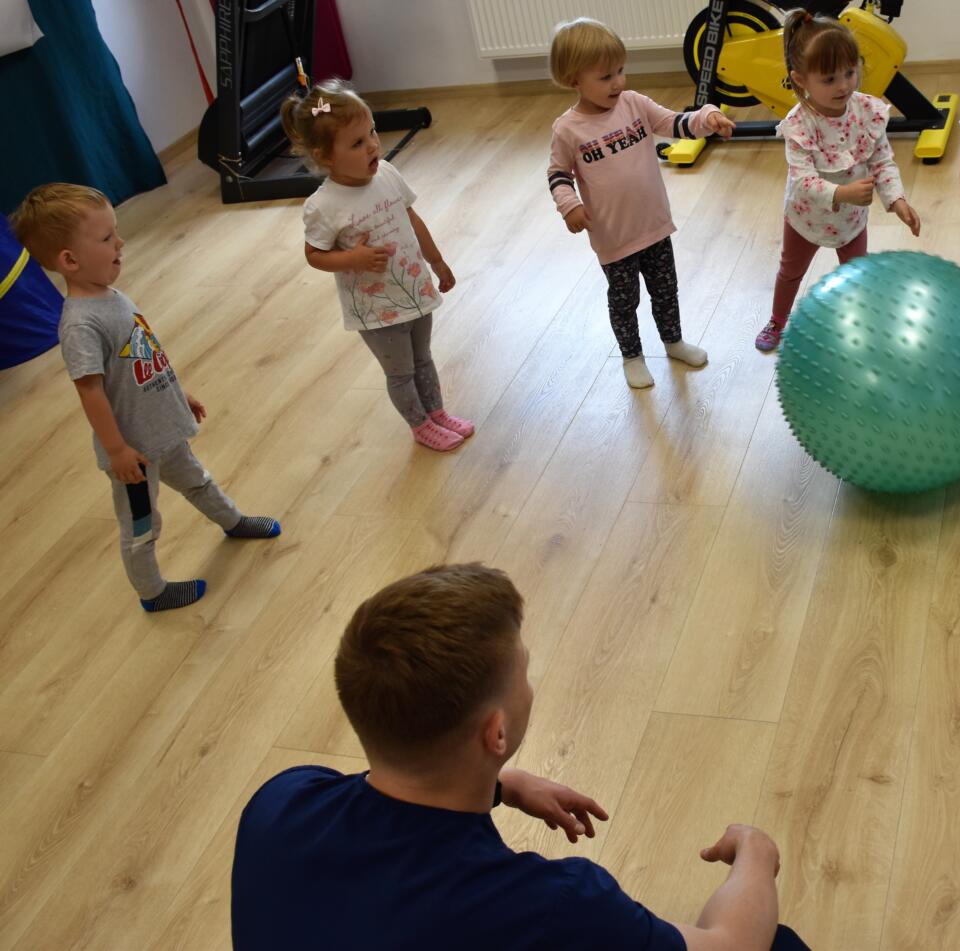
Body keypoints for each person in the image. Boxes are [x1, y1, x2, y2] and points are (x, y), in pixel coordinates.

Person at [232, 563, 808, 950]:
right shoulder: (554, 907)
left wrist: (503, 785)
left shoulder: (281, 800)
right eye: (524, 672)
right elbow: (731, 946)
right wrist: (756, 855)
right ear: (497, 733)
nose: (529, 682)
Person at [9, 184, 280, 613]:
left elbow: (140, 356)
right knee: (142, 525)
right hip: (134, 455)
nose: (120, 242)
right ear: (70, 260)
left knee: (198, 480)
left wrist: (176, 392)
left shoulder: (111, 296)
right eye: (106, 238)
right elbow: (90, 390)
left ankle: (232, 521)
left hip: (162, 429)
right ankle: (152, 591)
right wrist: (117, 450)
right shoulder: (80, 325)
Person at [282, 79, 473, 452]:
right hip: (377, 308)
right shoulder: (323, 206)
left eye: (371, 132)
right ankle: (420, 425)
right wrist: (351, 259)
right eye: (357, 143)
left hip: (412, 288)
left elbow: (412, 218)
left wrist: (436, 260)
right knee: (400, 371)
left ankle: (436, 413)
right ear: (325, 156)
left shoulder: (386, 173)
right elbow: (314, 255)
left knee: (423, 359)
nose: (372, 144)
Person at [546, 18, 732, 389]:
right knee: (624, 300)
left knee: (666, 291)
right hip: (614, 237)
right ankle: (632, 356)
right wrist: (569, 205)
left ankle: (673, 342)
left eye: (620, 70)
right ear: (573, 80)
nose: (617, 82)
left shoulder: (634, 104)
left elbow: (675, 123)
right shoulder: (567, 129)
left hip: (654, 225)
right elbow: (558, 174)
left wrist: (706, 116)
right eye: (605, 76)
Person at [754, 8, 921, 353]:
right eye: (829, 79)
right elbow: (802, 181)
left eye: (850, 72)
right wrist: (843, 192)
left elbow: (882, 160)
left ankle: (857, 325)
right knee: (790, 271)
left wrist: (897, 199)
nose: (844, 85)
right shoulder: (799, 125)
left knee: (857, 274)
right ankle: (777, 320)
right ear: (801, 79)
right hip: (805, 219)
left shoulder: (868, 111)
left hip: (852, 221)